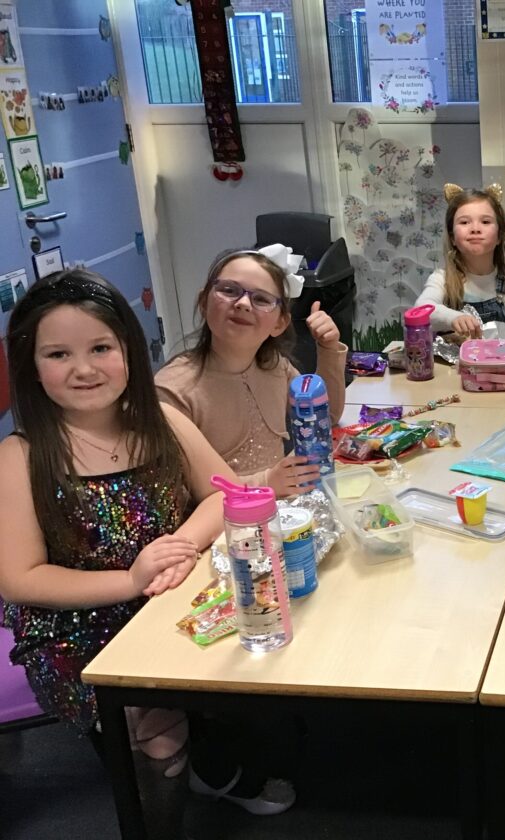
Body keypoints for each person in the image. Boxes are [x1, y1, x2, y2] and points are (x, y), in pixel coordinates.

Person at [0, 270, 294, 814]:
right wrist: (132, 579)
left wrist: (178, 547)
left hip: (173, 591)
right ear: (31, 367)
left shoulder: (160, 420)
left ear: (128, 351)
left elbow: (221, 494)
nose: (84, 368)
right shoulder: (21, 456)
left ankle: (216, 765)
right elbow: (21, 579)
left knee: (267, 649)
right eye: (59, 354)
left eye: (101, 348)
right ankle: (165, 792)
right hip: (80, 628)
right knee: (156, 735)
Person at [156, 244, 347, 498]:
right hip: (224, 520)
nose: (244, 303)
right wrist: (265, 482)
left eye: (261, 299)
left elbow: (325, 419)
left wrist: (328, 348)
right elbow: (178, 494)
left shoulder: (275, 367)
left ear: (280, 323)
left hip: (285, 510)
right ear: (204, 302)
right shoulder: (173, 389)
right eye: (229, 290)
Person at [415, 182, 505, 339]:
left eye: (485, 222)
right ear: (452, 238)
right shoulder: (442, 280)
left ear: (500, 236)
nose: (475, 229)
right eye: (464, 222)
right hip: (457, 356)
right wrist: (453, 318)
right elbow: (421, 309)